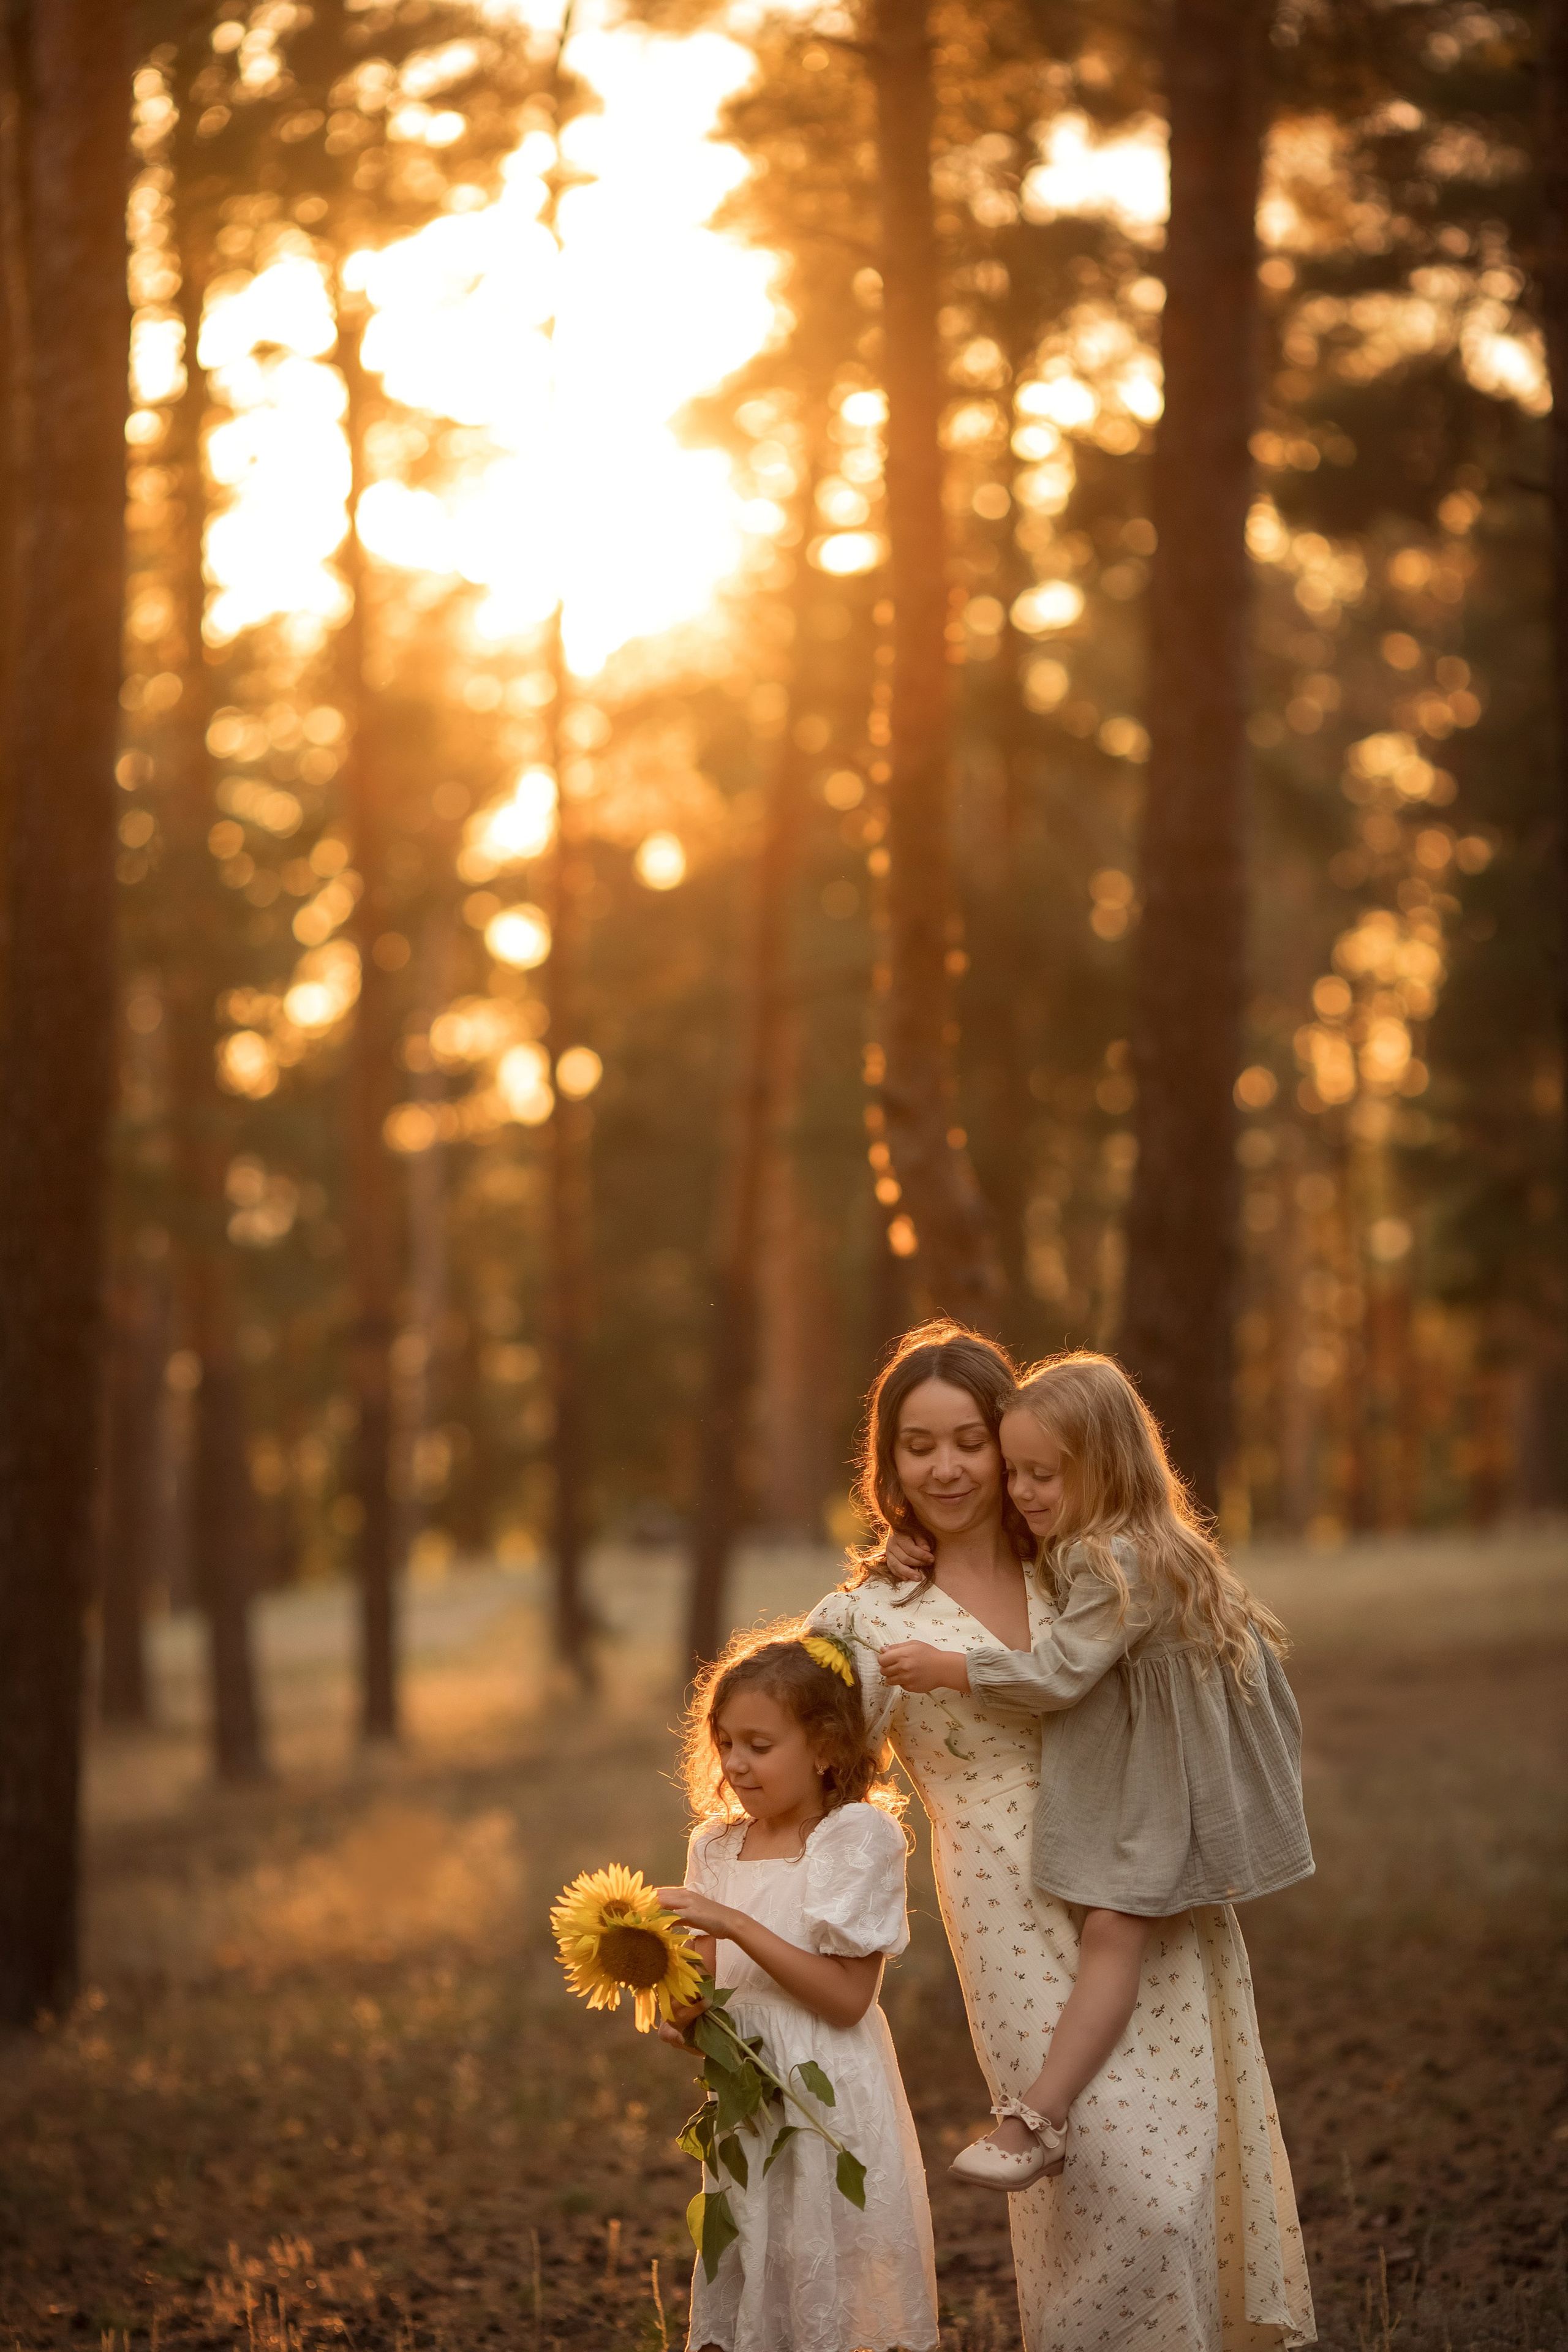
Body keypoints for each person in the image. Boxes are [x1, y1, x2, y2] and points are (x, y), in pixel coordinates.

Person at [808, 1321, 1314, 2352]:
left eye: (969, 1440)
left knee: (1185, 2188)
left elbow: (1223, 1665)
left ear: (1020, 1445)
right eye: (918, 1445)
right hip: (1009, 1904)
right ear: (888, 1463)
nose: (946, 1467)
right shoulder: (865, 1617)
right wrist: (730, 1943)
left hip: (1152, 1886)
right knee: (1116, 2198)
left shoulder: (1090, 1567)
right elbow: (801, 1782)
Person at [655, 1627, 939, 2352]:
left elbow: (846, 1999)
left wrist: (731, 1922)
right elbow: (705, 1992)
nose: (736, 1765)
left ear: (825, 1748)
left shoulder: (854, 1837)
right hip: (749, 2096)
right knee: (758, 2261)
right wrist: (676, 2005)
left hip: (830, 2094)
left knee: (835, 2274)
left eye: (758, 1744)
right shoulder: (713, 1846)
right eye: (724, 1743)